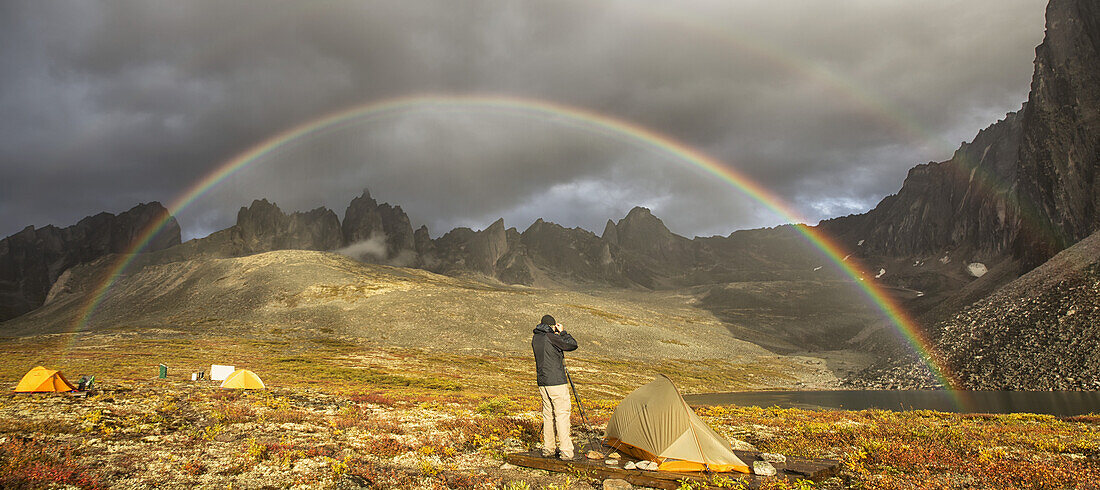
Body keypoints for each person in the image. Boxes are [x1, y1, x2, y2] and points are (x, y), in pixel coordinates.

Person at [531, 314, 578, 460]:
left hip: (543, 382)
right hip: (556, 381)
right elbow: (572, 344)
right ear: (552, 326)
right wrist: (562, 332)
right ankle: (566, 450)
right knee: (562, 414)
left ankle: (548, 448)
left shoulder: (536, 338)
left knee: (548, 414)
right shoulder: (550, 337)